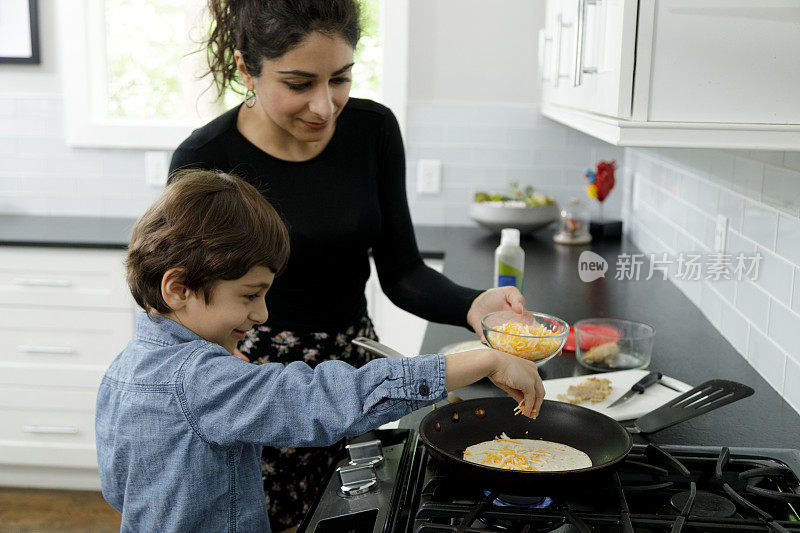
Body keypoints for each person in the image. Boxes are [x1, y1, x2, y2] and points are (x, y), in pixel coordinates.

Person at [169, 0, 528, 529]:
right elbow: (185, 306)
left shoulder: (373, 131)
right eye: (298, 83)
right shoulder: (205, 159)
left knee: (358, 515)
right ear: (247, 69)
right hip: (256, 380)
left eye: (340, 79)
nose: (325, 105)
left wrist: (474, 306)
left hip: (357, 365)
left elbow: (402, 271)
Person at [94, 170, 545, 533]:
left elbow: (121, 488)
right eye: (250, 295)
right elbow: (324, 400)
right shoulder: (201, 380)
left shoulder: (126, 367)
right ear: (178, 288)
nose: (262, 314)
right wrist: (487, 359)